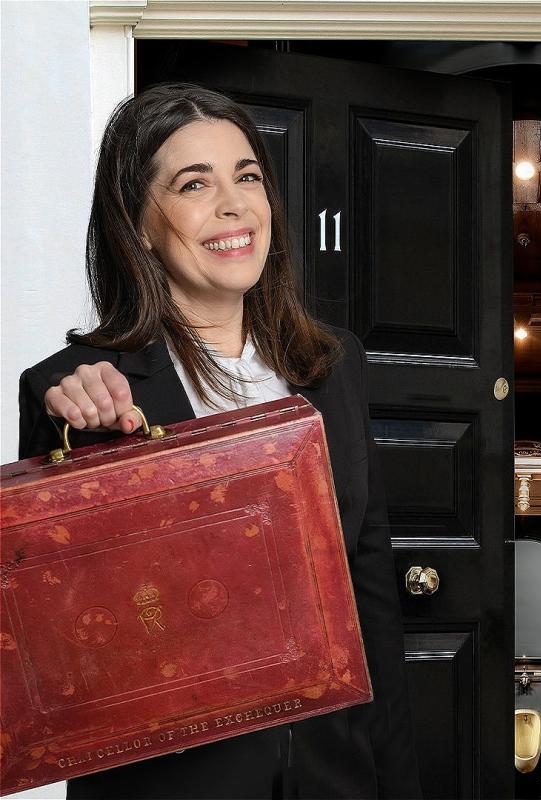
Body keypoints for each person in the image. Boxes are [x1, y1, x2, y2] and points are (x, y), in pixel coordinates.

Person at [17, 83, 423, 800]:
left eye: (248, 176)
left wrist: (394, 785)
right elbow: (68, 641)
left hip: (334, 778)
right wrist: (69, 426)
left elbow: (369, 603)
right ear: (139, 224)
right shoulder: (78, 392)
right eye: (194, 184)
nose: (235, 206)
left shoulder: (334, 366)